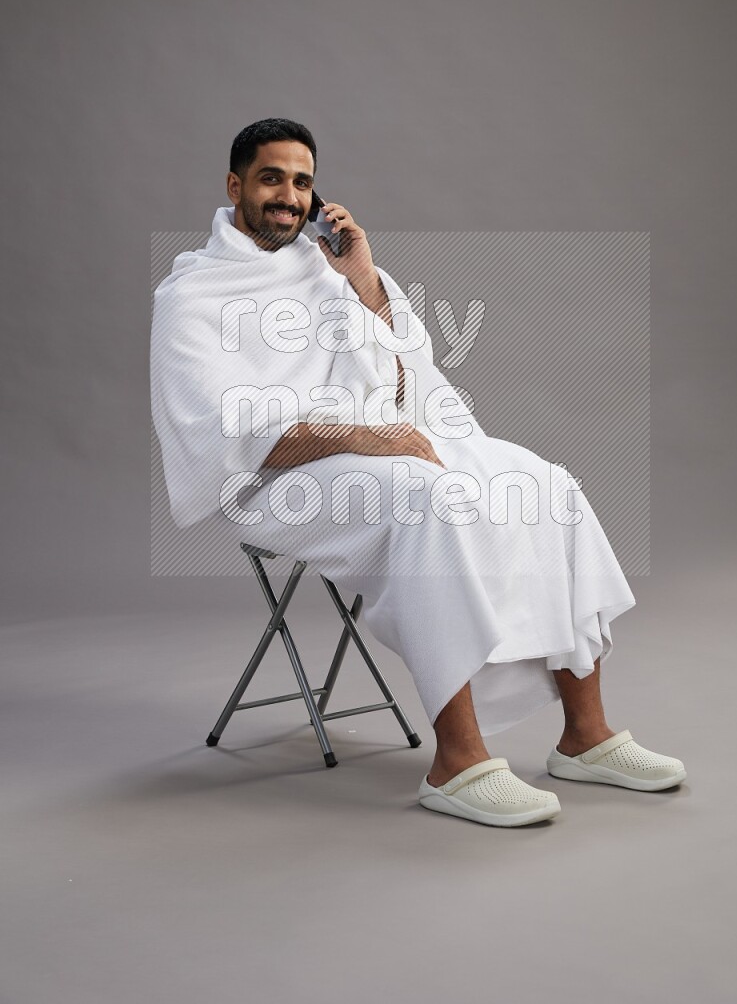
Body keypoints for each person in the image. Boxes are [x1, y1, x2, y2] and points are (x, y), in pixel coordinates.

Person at [150, 117, 686, 828]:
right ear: (234, 185)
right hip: (273, 476)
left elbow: (404, 381)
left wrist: (363, 277)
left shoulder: (329, 269)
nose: (289, 196)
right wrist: (362, 436)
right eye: (271, 178)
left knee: (545, 484)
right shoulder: (192, 295)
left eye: (303, 182)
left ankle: (584, 736)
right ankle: (456, 761)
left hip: (377, 442)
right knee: (426, 498)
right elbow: (220, 427)